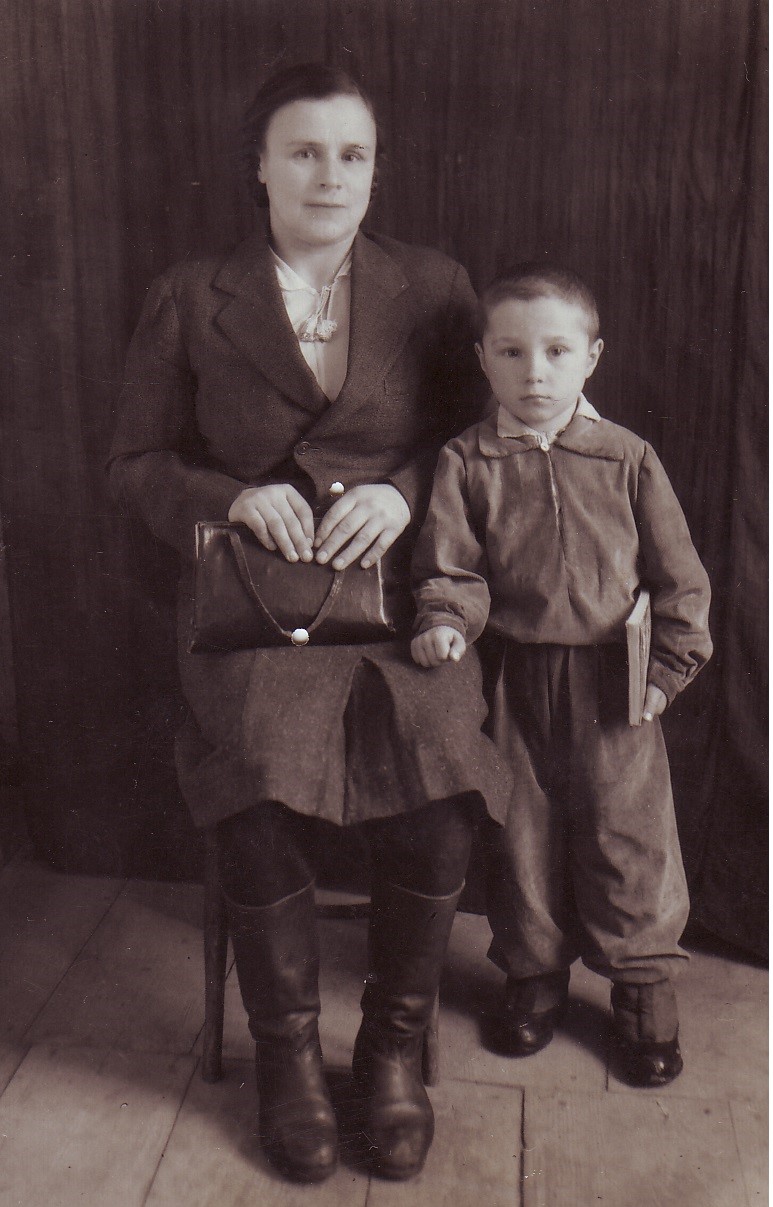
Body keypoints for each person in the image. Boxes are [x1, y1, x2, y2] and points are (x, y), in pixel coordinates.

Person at [108, 63, 510, 1184]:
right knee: (253, 771)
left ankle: (388, 1050)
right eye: (303, 151)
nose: (329, 175)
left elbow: (482, 443)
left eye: (351, 154)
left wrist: (410, 491)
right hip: (254, 606)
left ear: (375, 170)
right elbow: (133, 465)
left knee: (444, 772)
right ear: (259, 166)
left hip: (399, 600)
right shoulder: (191, 294)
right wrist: (229, 498)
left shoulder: (434, 286)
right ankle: (286, 1057)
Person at [410, 263, 712, 1088]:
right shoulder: (467, 460)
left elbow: (678, 579)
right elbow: (450, 567)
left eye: (555, 351)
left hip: (617, 681)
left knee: (627, 833)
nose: (533, 373)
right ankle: (533, 972)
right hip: (513, 678)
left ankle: (641, 981)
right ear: (483, 358)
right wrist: (445, 621)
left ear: (591, 357)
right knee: (523, 830)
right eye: (510, 352)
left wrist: (668, 668)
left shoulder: (625, 458)